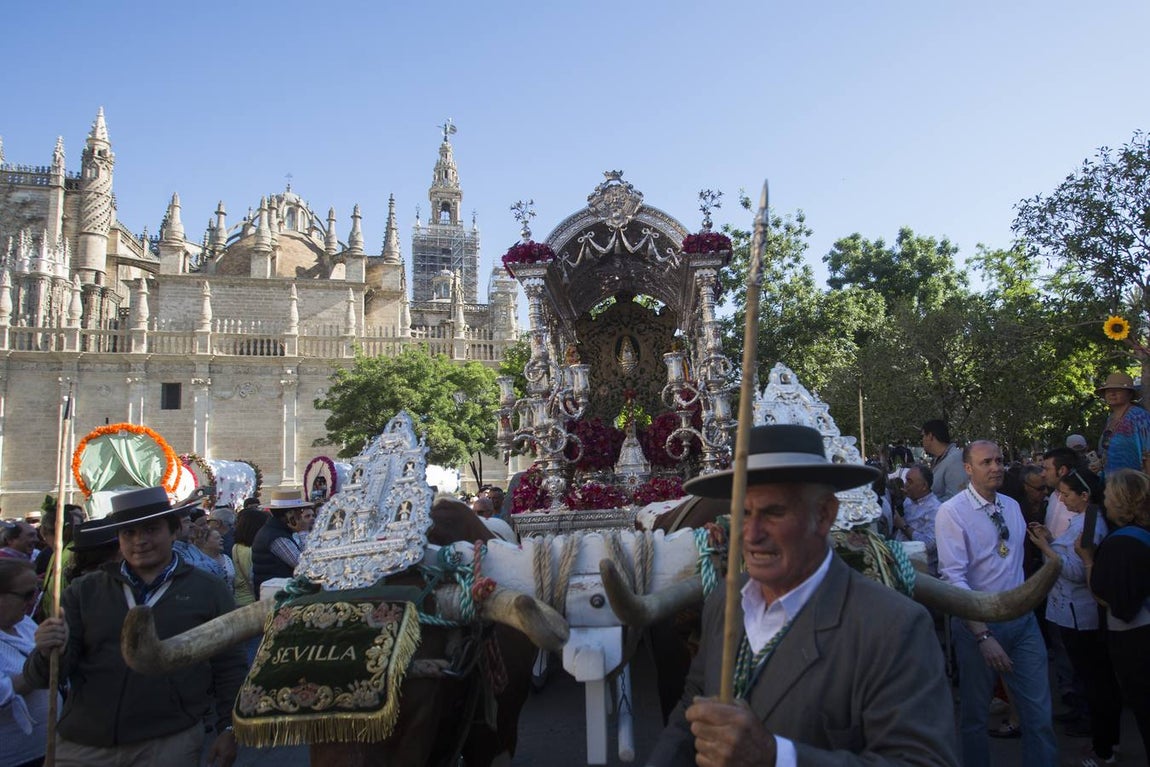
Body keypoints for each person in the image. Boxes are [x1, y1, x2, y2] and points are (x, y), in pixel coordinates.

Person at [648, 424, 958, 766]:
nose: (750, 535)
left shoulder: (894, 627)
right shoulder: (725, 601)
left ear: (824, 514)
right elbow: (692, 707)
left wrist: (777, 757)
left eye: (774, 512)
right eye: (743, 512)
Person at [24, 486, 245, 767]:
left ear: (174, 531)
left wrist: (230, 728)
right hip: (85, 742)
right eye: (129, 533)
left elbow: (228, 664)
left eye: (151, 530)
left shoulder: (207, 589)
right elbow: (48, 675)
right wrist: (46, 651)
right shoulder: (85, 591)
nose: (140, 541)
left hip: (168, 740)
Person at [935, 440, 1058, 766]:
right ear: (968, 468)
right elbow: (954, 580)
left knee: (1040, 716)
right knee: (975, 719)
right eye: (986, 462)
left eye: (999, 460)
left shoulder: (1011, 505)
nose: (995, 467)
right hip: (979, 627)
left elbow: (1014, 560)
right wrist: (983, 636)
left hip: (1023, 622)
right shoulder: (951, 512)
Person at [1027, 470, 1120, 765]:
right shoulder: (1081, 519)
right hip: (1069, 611)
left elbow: (1080, 570)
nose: (1062, 499)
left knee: (1095, 680)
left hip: (1080, 613)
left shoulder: (1091, 524)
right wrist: (1052, 539)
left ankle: (1104, 745)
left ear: (1084, 496)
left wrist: (1045, 548)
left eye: (1066, 494)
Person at [1078, 468, 1150, 761]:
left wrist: (1087, 562)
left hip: (1136, 641)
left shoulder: (1121, 544)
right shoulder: (1141, 534)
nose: (1104, 499)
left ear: (1121, 499)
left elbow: (1113, 601)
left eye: (1108, 493)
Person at [0, 559, 60, 767]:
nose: (34, 600)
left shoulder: (23, 621)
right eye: (27, 594)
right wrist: (41, 662)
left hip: (52, 747)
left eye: (36, 591)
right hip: (15, 758)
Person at [251, 488, 314, 594]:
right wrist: (303, 532)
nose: (300, 515)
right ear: (290, 514)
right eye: (299, 511)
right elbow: (303, 565)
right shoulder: (276, 537)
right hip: (277, 594)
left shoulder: (278, 530)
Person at [1094, 372, 1150, 477]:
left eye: (1118, 390)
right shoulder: (1110, 419)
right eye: (1108, 391)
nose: (1112, 394)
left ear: (1130, 394)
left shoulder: (1139, 416)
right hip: (1113, 484)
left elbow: (1148, 453)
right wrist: (1100, 464)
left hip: (1136, 484)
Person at [893, 463, 941, 574]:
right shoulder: (909, 500)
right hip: (901, 562)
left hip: (921, 571)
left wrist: (903, 526)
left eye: (910, 482)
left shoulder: (935, 510)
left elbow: (928, 545)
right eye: (905, 481)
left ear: (924, 486)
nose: (905, 485)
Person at [230, 507, 266, 608]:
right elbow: (251, 578)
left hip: (241, 598)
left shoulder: (237, 546)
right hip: (249, 600)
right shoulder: (249, 551)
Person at [922, 419, 965, 501]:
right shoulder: (939, 460)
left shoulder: (955, 460)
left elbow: (956, 497)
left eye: (923, 435)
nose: (922, 440)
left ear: (930, 436)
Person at [194, 527, 234, 594]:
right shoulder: (199, 562)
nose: (222, 540)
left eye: (221, 537)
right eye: (217, 538)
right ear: (205, 542)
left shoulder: (227, 558)